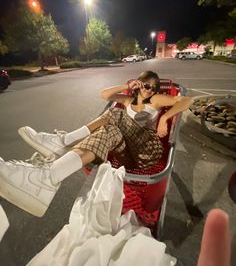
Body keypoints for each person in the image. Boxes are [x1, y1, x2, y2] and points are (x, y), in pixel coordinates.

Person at [0, 71, 192, 217]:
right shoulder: (127, 99)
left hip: (148, 150)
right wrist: (126, 85)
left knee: (114, 114)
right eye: (144, 84)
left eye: (151, 86)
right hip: (129, 154)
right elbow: (104, 95)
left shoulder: (156, 100)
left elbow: (186, 100)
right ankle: (48, 178)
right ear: (137, 83)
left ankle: (64, 142)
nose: (146, 89)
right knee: (109, 129)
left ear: (156, 90)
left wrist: (164, 117)